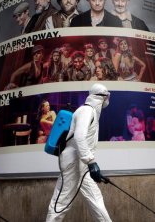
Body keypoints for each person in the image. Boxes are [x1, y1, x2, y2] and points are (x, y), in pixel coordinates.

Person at [46, 83, 112, 221]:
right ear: (102, 96)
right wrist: (91, 161)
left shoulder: (91, 112)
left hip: (81, 165)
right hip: (74, 164)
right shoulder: (86, 111)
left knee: (96, 199)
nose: (107, 100)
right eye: (107, 96)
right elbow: (79, 136)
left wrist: (89, 163)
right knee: (61, 203)